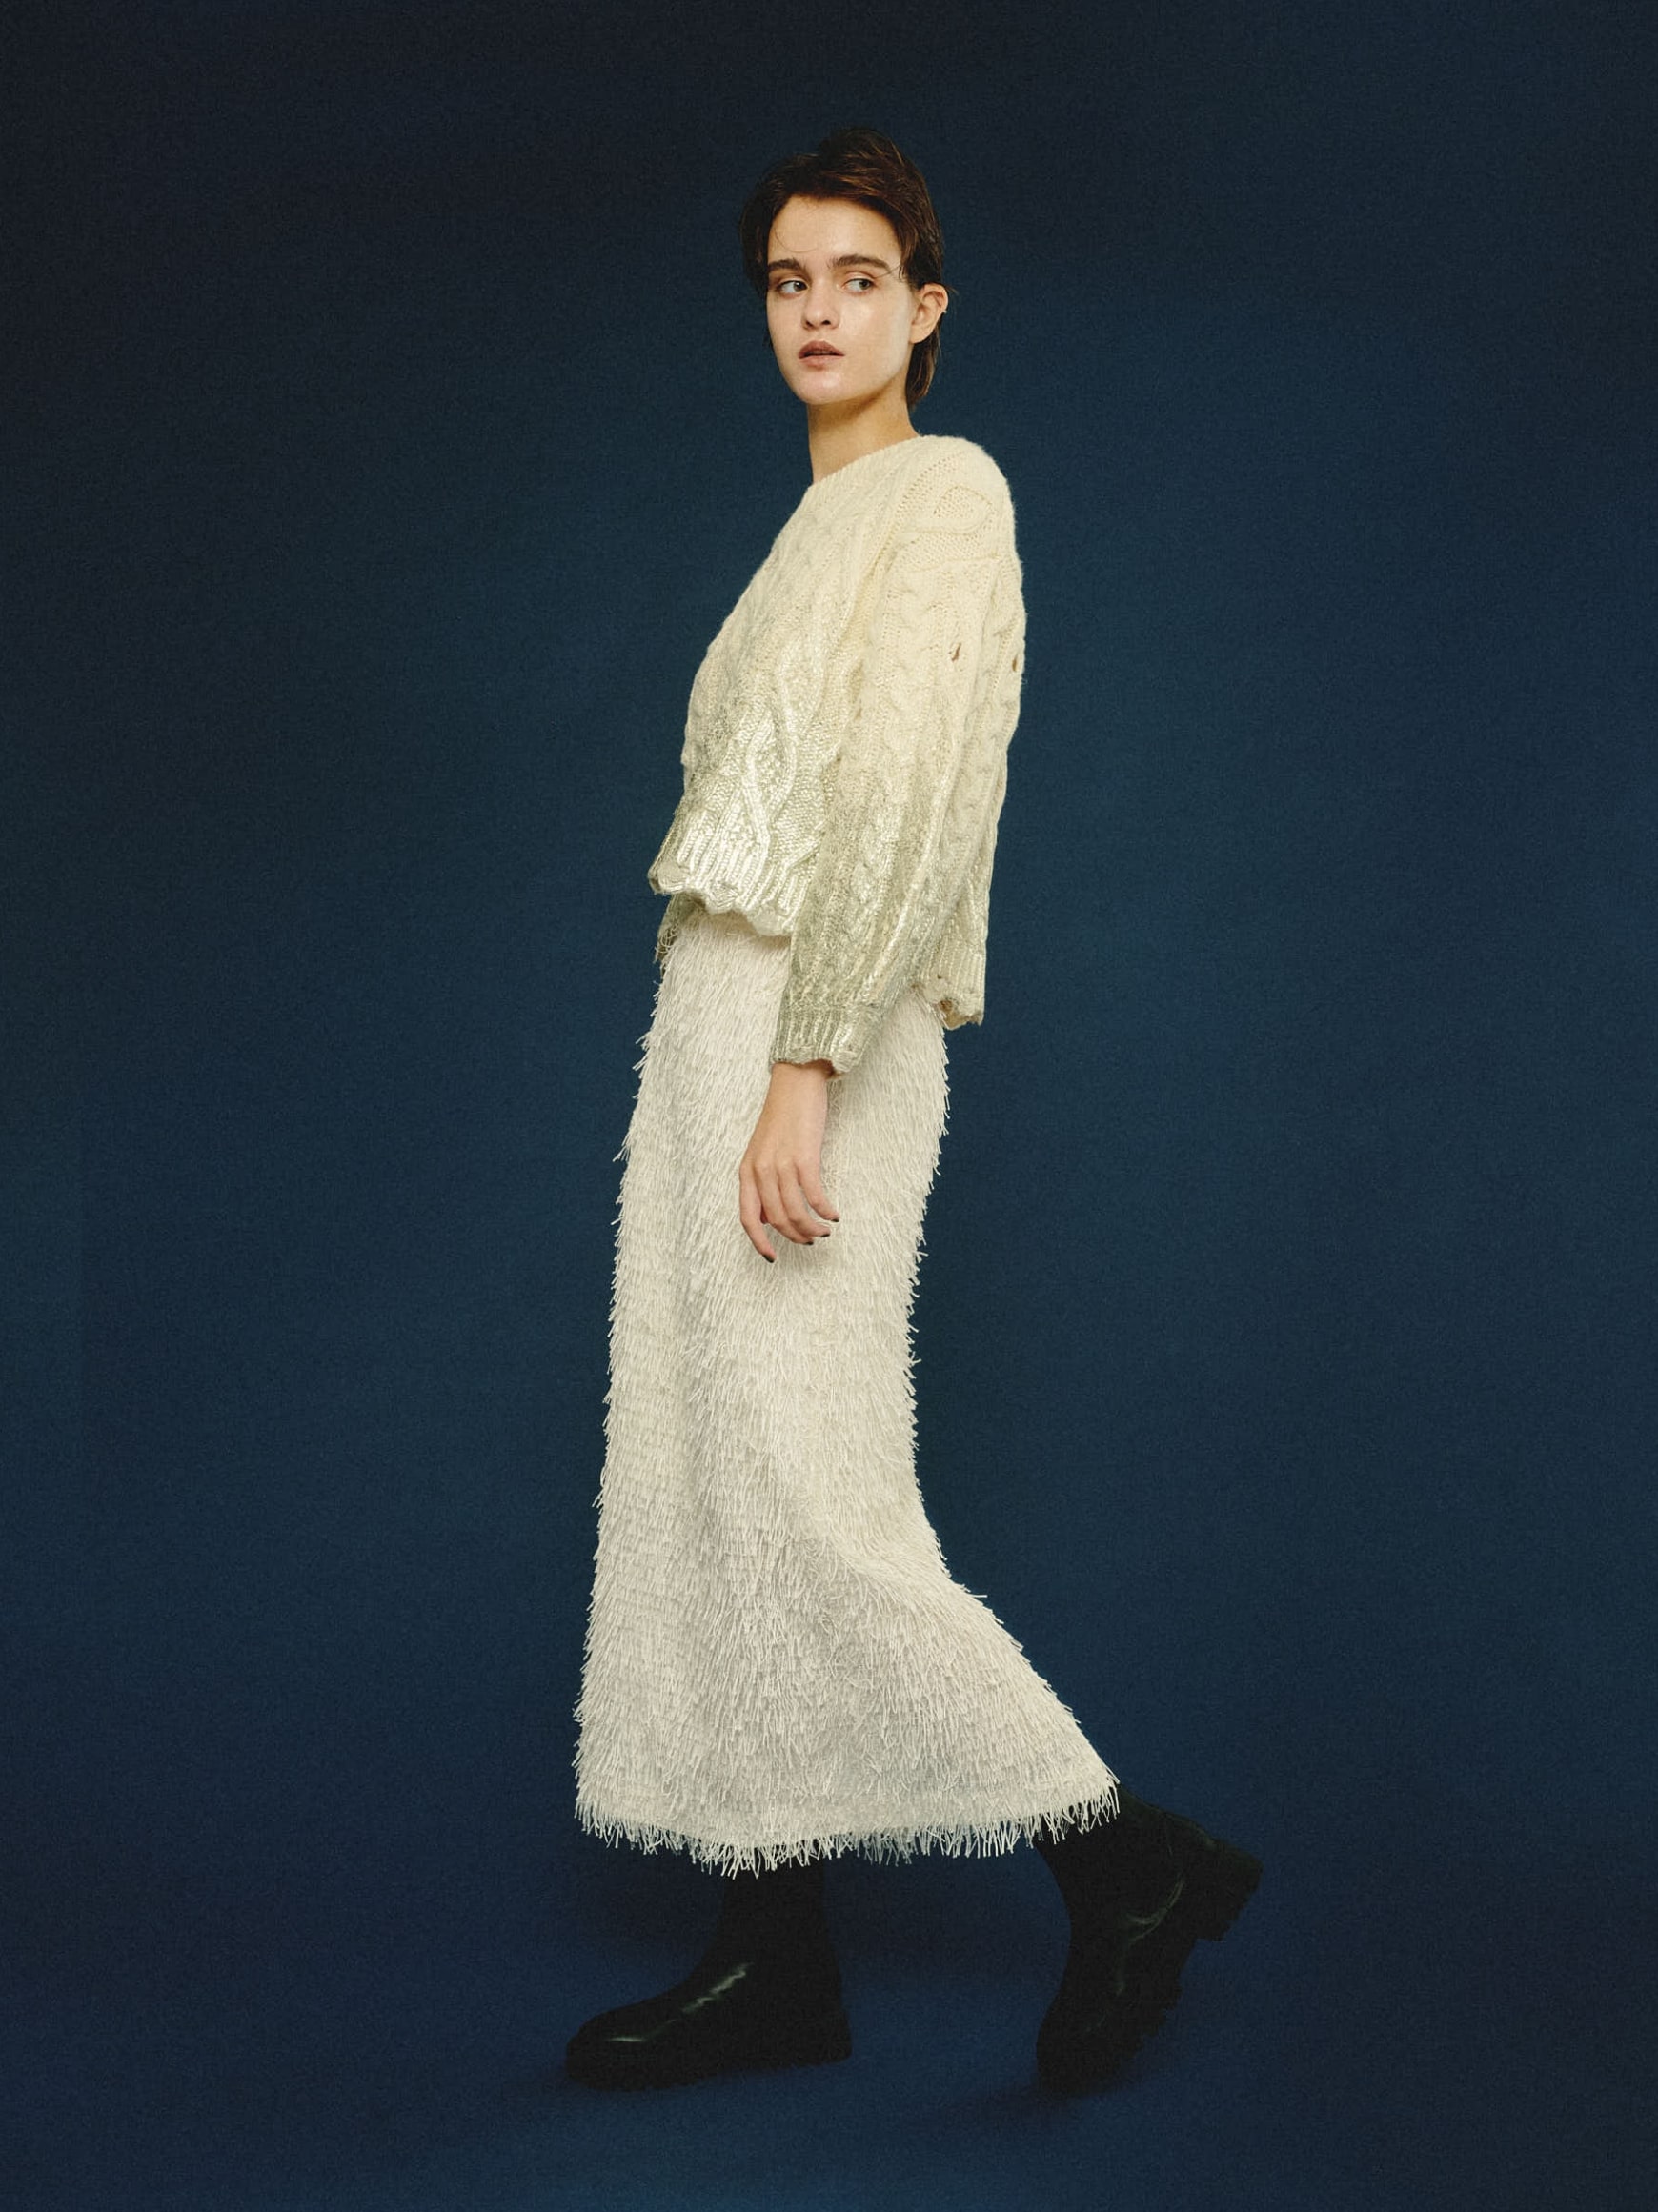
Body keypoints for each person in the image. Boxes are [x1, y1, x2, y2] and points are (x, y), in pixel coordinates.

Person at [565, 124, 1260, 2096]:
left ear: (923, 307)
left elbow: (912, 795)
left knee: (817, 1495)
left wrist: (804, 1065)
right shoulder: (804, 533)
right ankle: (774, 1953)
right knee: (717, 1482)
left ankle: (1127, 1859)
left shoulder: (948, 496)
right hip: (718, 1016)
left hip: (820, 1026)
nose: (818, 311)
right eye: (789, 281)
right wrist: (738, 1048)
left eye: (857, 279)